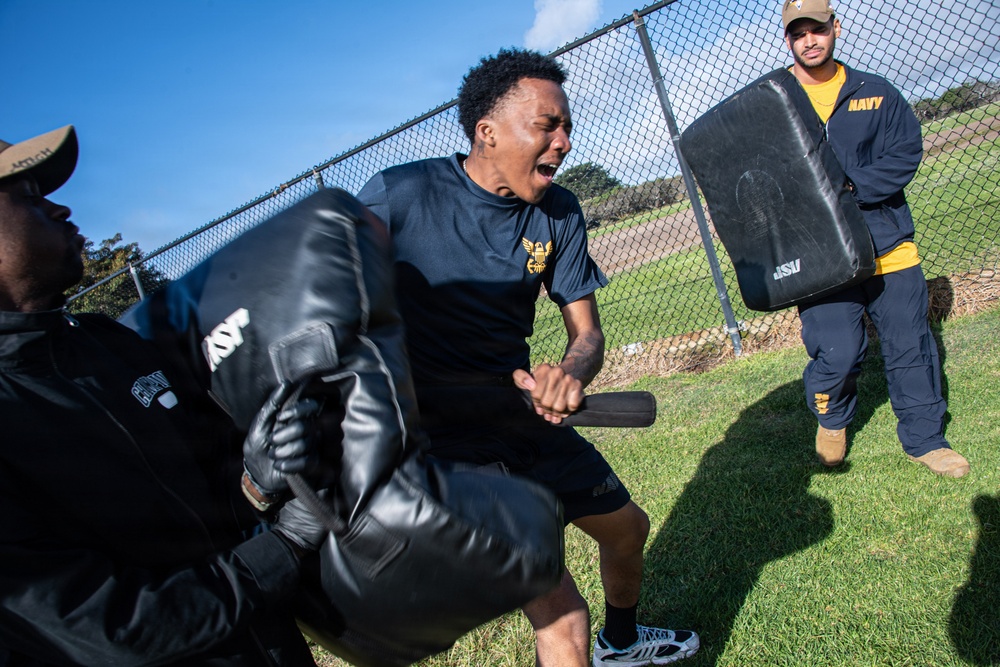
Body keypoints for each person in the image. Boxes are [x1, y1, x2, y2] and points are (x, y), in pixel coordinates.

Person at [357, 48, 699, 667]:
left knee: (628, 533)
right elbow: (338, 306)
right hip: (441, 446)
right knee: (563, 622)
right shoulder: (400, 196)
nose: (564, 141)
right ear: (487, 132)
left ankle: (622, 645)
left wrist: (569, 375)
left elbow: (587, 334)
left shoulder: (559, 212)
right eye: (547, 125)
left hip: (520, 418)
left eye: (567, 125)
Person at [0, 125, 328, 665]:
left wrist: (255, 482)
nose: (60, 210)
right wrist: (283, 548)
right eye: (32, 197)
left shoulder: (106, 343)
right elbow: (110, 630)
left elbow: (200, 501)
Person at [780, 0, 970, 477]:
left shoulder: (876, 92)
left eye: (817, 29)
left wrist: (848, 188)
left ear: (835, 28)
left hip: (889, 245)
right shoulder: (773, 100)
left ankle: (927, 440)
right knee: (838, 353)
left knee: (910, 346)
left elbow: (906, 152)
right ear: (788, 40)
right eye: (798, 32)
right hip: (820, 258)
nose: (809, 40)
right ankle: (832, 418)